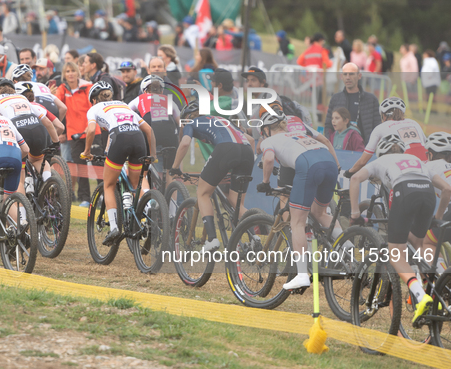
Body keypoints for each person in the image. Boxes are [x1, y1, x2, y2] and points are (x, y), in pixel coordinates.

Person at [349, 134, 451, 325]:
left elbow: (355, 178)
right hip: (427, 195)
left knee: (395, 251)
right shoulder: (416, 160)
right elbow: (446, 189)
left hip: (404, 192)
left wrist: (355, 213)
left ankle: (420, 294)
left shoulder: (380, 161)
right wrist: (437, 217)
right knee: (418, 242)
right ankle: (435, 289)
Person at [257, 109, 339, 289]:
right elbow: (323, 142)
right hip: (329, 162)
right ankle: (347, 247)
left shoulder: (269, 140)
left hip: (309, 166)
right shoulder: (298, 132)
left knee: (297, 222)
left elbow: (269, 158)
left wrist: (264, 182)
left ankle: (302, 274)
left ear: (267, 129)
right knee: (320, 212)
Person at [170, 103, 255, 252]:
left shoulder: (191, 122)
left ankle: (212, 240)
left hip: (226, 149)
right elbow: (252, 140)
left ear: (188, 117)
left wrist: (175, 167)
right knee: (236, 202)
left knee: (203, 193)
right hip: (247, 151)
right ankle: (255, 238)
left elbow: (184, 143)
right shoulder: (222, 120)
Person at [81, 81, 155, 244]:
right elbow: (149, 130)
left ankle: (114, 227)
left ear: (93, 100)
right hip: (138, 139)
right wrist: (152, 155)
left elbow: (92, 130)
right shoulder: (123, 105)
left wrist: (87, 152)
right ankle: (148, 210)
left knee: (108, 185)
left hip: (119, 139)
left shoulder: (94, 108)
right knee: (137, 183)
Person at [0, 78, 61, 197]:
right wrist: (55, 142)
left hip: (18, 130)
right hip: (37, 127)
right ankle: (50, 183)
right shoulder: (22, 98)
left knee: (19, 178)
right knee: (38, 159)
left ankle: (22, 215)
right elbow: (48, 123)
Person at [346, 97, 428, 178]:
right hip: (425, 162)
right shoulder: (414, 123)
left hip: (405, 163)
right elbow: (425, 144)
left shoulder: (380, 127)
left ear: (383, 115)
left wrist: (350, 171)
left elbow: (363, 161)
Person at [55, 62, 94, 204]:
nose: (70, 73)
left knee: (98, 166)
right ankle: (85, 198)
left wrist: (90, 127)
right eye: (67, 71)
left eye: (73, 71)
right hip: (74, 135)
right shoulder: (62, 89)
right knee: (80, 167)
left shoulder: (88, 87)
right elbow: (57, 106)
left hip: (92, 132)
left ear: (78, 72)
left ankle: (102, 196)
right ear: (64, 75)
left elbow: (92, 109)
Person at [128, 75, 181, 174]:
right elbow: (181, 123)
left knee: (143, 169)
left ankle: (146, 185)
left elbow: (126, 112)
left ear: (144, 91)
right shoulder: (168, 99)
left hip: (150, 128)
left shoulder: (140, 98)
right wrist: (179, 140)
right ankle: (171, 188)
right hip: (169, 131)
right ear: (161, 91)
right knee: (169, 171)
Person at [324, 63, 381, 144]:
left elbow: (377, 126)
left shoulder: (371, 99)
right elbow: (328, 125)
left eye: (351, 74)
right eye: (345, 74)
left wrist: (371, 147)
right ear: (341, 77)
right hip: (339, 148)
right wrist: (330, 143)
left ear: (359, 76)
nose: (348, 77)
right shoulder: (335, 98)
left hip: (364, 149)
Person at [423, 132, 451, 274]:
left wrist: (438, 217)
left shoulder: (429, 166)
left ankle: (443, 281)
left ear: (431, 154)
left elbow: (447, 190)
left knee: (426, 243)